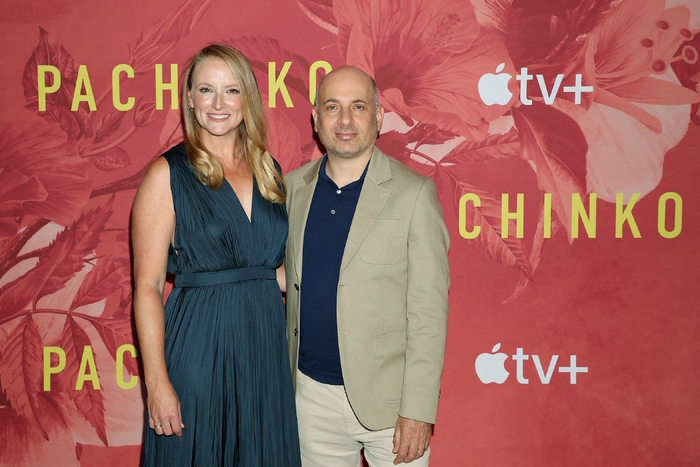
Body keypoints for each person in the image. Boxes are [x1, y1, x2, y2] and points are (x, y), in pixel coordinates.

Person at [132, 44, 301, 466]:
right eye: (207, 89)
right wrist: (157, 383)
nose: (219, 104)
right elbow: (148, 287)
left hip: (264, 352)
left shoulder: (269, 170)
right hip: (198, 349)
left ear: (248, 98)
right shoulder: (166, 173)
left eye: (231, 90)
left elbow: (272, 272)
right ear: (189, 98)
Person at [284, 66, 450, 466]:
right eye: (332, 106)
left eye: (358, 106)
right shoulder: (291, 189)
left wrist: (419, 410)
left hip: (392, 407)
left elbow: (429, 313)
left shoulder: (415, 195)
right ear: (315, 119)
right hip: (310, 399)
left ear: (377, 117)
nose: (344, 119)